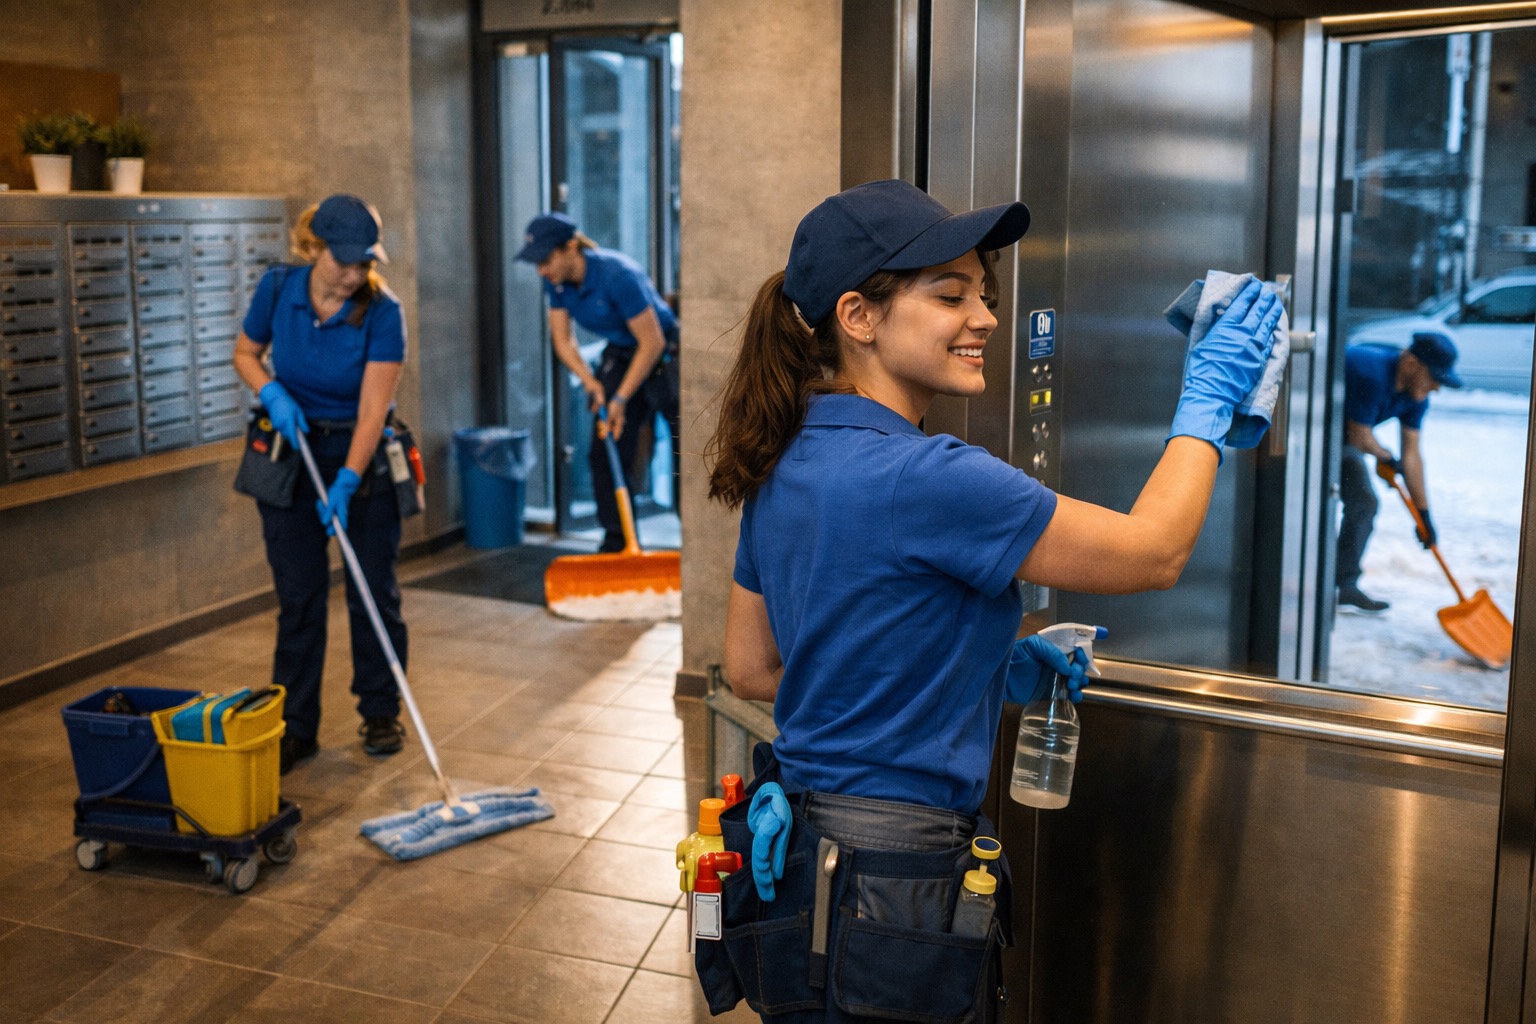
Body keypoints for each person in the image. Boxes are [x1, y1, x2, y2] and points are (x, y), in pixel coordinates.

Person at [695, 179, 1281, 1023]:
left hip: (802, 863)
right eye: (950, 294)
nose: (987, 319)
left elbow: (754, 669)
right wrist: (1207, 404)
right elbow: (1156, 552)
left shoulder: (786, 461)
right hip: (895, 889)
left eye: (986, 294)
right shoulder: (930, 477)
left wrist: (971, 664)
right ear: (858, 316)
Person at [232, 194, 409, 774]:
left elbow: (372, 413)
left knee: (372, 591)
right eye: (344, 261)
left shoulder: (383, 312)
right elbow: (246, 352)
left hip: (358, 450)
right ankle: (295, 726)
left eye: (365, 262)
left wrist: (350, 479)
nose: (356, 273)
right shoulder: (279, 289)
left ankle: (381, 712)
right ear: (313, 248)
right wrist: (271, 391)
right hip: (292, 448)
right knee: (300, 597)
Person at [515, 212, 681, 552]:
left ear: (571, 247)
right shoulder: (556, 283)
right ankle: (618, 542)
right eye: (537, 263)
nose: (541, 271)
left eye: (545, 260)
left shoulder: (617, 275)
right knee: (604, 450)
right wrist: (590, 382)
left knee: (683, 448)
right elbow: (563, 341)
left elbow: (652, 344)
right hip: (621, 354)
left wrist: (619, 400)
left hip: (665, 353)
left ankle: (690, 539)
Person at [1336, 331, 1462, 613]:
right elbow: (1360, 436)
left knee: (1364, 503)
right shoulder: (1372, 372)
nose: (1436, 388)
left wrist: (1424, 516)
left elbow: (1412, 456)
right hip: (1309, 430)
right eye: (1434, 377)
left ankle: (1344, 585)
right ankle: (1313, 582)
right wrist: (1386, 457)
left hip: (1340, 438)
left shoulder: (1415, 396)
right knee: (1321, 504)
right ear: (1410, 364)